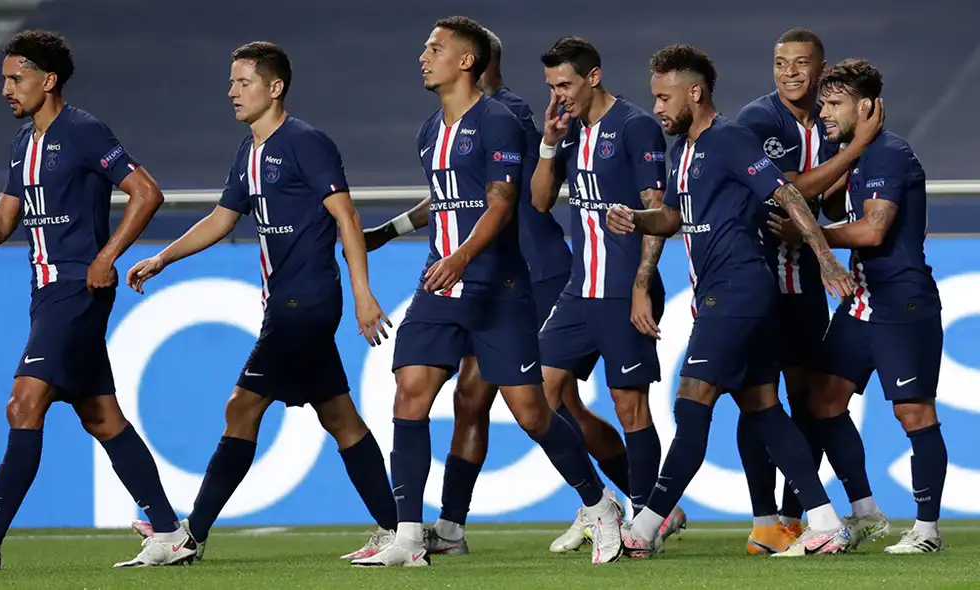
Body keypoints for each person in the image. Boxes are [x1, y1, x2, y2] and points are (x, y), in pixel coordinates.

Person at [352, 16, 623, 567]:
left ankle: (599, 505)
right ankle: (409, 536)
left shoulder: (500, 121)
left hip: (495, 288)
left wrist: (461, 257)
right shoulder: (430, 131)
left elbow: (501, 203)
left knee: (532, 411)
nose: (423, 57)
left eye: (435, 48)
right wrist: (398, 235)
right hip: (440, 287)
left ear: (467, 61)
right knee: (410, 395)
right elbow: (448, 200)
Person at [124, 41, 397, 561]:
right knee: (341, 419)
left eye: (243, 82)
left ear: (275, 87)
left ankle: (191, 536)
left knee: (241, 406)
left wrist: (364, 294)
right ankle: (398, 532)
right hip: (288, 306)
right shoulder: (248, 153)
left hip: (306, 303)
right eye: (230, 82)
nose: (232, 92)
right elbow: (223, 219)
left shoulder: (306, 143)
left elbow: (347, 216)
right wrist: (163, 258)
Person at [607, 44, 857, 558]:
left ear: (694, 93)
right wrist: (637, 217)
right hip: (728, 296)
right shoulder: (687, 151)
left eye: (663, 96)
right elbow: (675, 218)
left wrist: (826, 259)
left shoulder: (731, 140)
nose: (656, 107)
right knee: (764, 409)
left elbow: (785, 194)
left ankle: (646, 526)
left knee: (692, 400)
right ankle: (828, 520)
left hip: (738, 292)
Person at [0, 29, 196, 570]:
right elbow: (3, 222)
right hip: (46, 293)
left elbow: (147, 192)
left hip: (77, 289)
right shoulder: (22, 144)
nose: (5, 88)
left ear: (48, 80)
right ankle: (170, 532)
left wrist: (108, 257)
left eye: (16, 78)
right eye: (4, 78)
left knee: (23, 403)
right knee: (101, 416)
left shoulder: (83, 131)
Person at [769, 59, 946, 554]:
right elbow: (796, 191)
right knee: (823, 401)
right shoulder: (854, 155)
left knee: (913, 413)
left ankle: (927, 530)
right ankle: (865, 512)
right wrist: (847, 153)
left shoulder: (890, 155)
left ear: (866, 107)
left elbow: (872, 230)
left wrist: (809, 236)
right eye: (823, 102)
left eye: (834, 103)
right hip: (861, 302)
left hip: (901, 303)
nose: (823, 111)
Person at [531, 35, 687, 548]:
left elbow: (659, 213)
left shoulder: (635, 125)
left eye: (567, 84)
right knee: (539, 398)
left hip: (624, 291)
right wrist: (550, 142)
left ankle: (646, 520)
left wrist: (643, 285)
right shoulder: (570, 130)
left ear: (593, 76)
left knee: (630, 408)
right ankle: (604, 503)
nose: (559, 95)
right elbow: (538, 202)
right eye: (552, 86)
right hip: (580, 292)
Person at [733, 28, 885, 554]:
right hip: (758, 281)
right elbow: (790, 188)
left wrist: (851, 164)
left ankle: (800, 515)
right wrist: (859, 147)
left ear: (820, 70)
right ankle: (763, 518)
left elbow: (833, 199)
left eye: (801, 63)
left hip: (804, 287)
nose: (790, 72)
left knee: (809, 401)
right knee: (757, 399)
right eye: (780, 63)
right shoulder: (758, 120)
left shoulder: (827, 124)